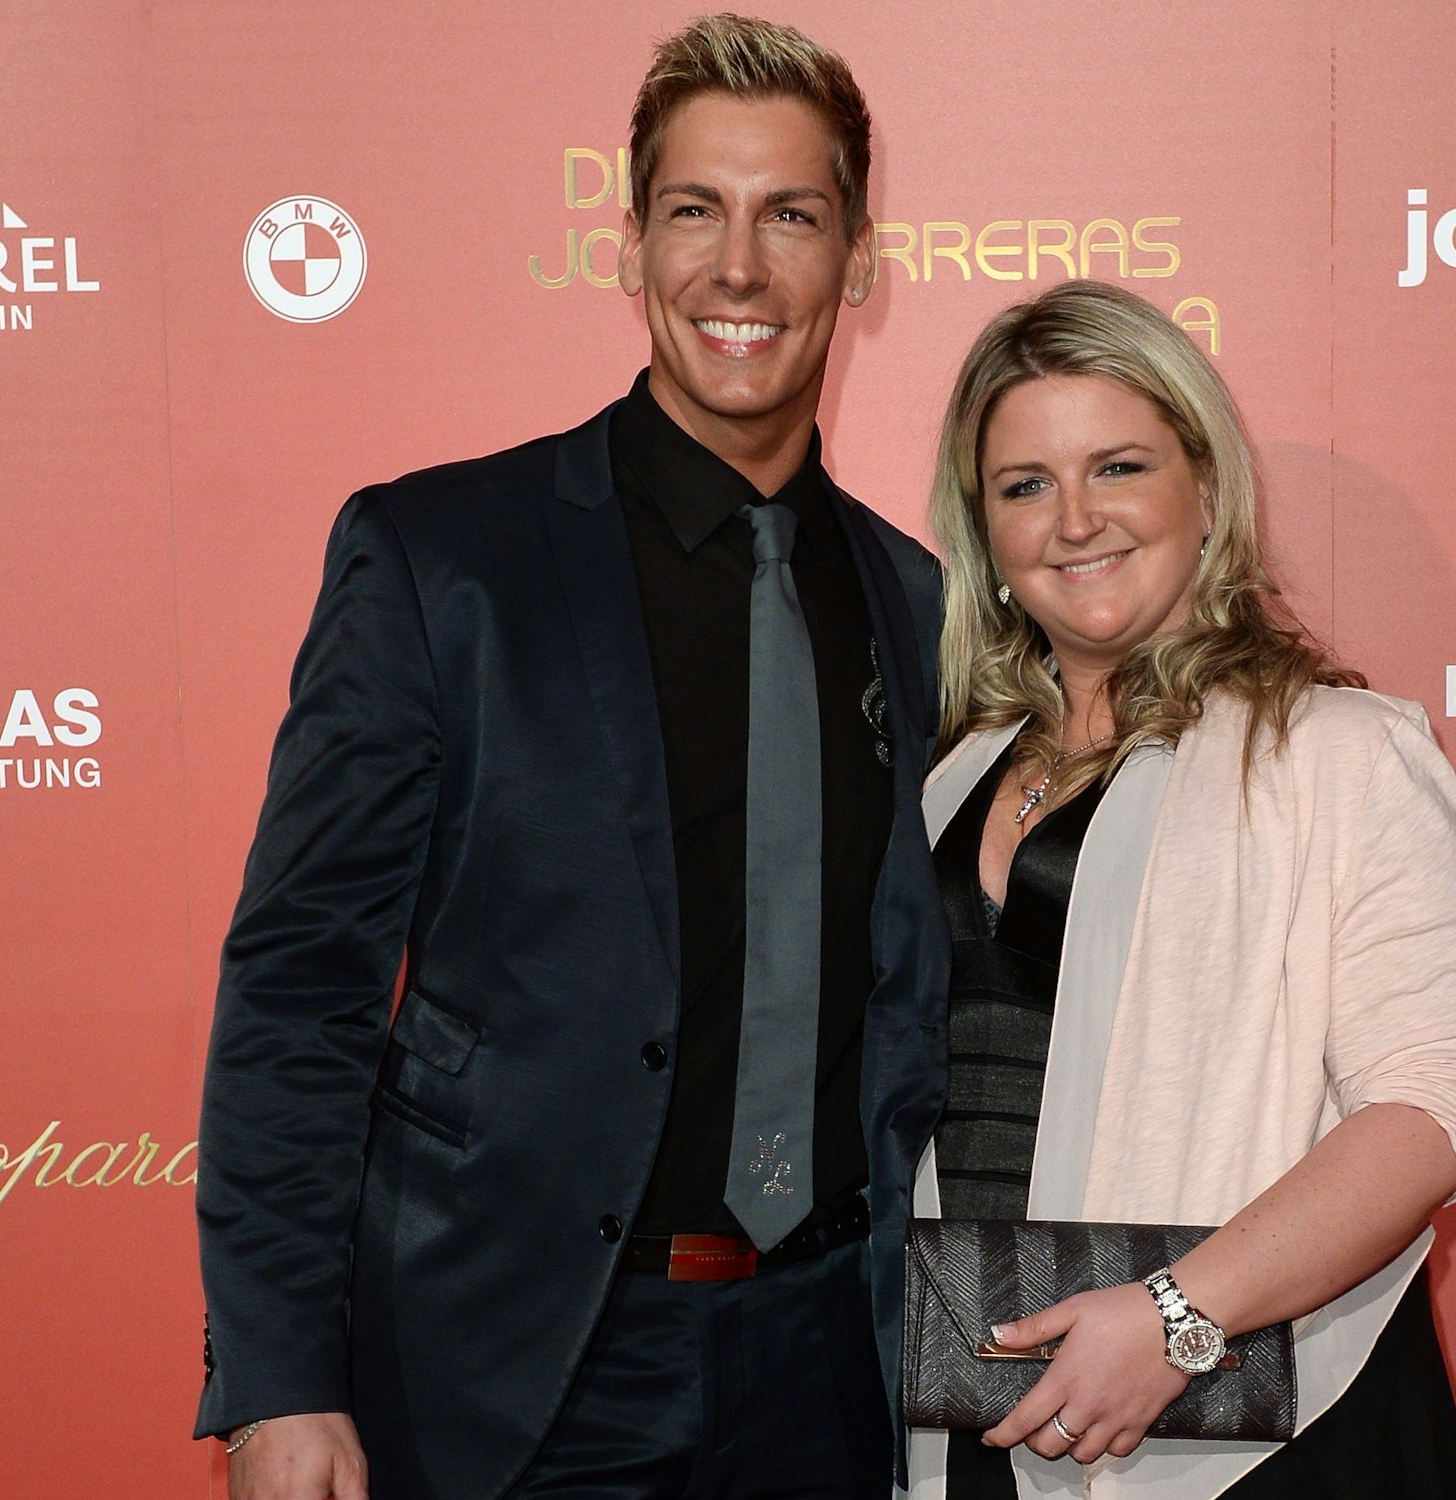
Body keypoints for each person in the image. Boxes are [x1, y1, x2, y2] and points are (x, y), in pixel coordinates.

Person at [193, 17, 949, 1500]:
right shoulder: (440, 560)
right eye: (694, 211)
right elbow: (301, 987)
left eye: (790, 214)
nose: (739, 267)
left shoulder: (915, 599)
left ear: (857, 265)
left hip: (830, 1372)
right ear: (626, 248)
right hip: (518, 1372)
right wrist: (277, 1376)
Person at [908, 279, 1456, 1500]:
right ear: (982, 528)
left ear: (1201, 483)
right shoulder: (941, 769)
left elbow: (1435, 1111)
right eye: (1024, 486)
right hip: (970, 1414)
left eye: (1116, 468)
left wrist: (1178, 1321)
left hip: (1242, 1431)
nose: (1073, 520)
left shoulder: (1339, 752)